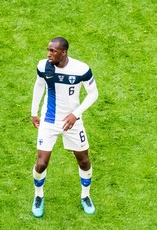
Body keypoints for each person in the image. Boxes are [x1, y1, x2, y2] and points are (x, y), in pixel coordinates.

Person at [31, 37, 99, 218]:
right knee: (41, 163)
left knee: (84, 161)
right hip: (49, 120)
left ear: (64, 52)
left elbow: (93, 94)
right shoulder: (43, 66)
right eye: (48, 50)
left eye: (53, 51)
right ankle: (38, 196)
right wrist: (33, 112)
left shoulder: (81, 69)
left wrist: (75, 114)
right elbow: (39, 86)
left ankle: (85, 196)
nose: (48, 54)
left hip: (73, 122)